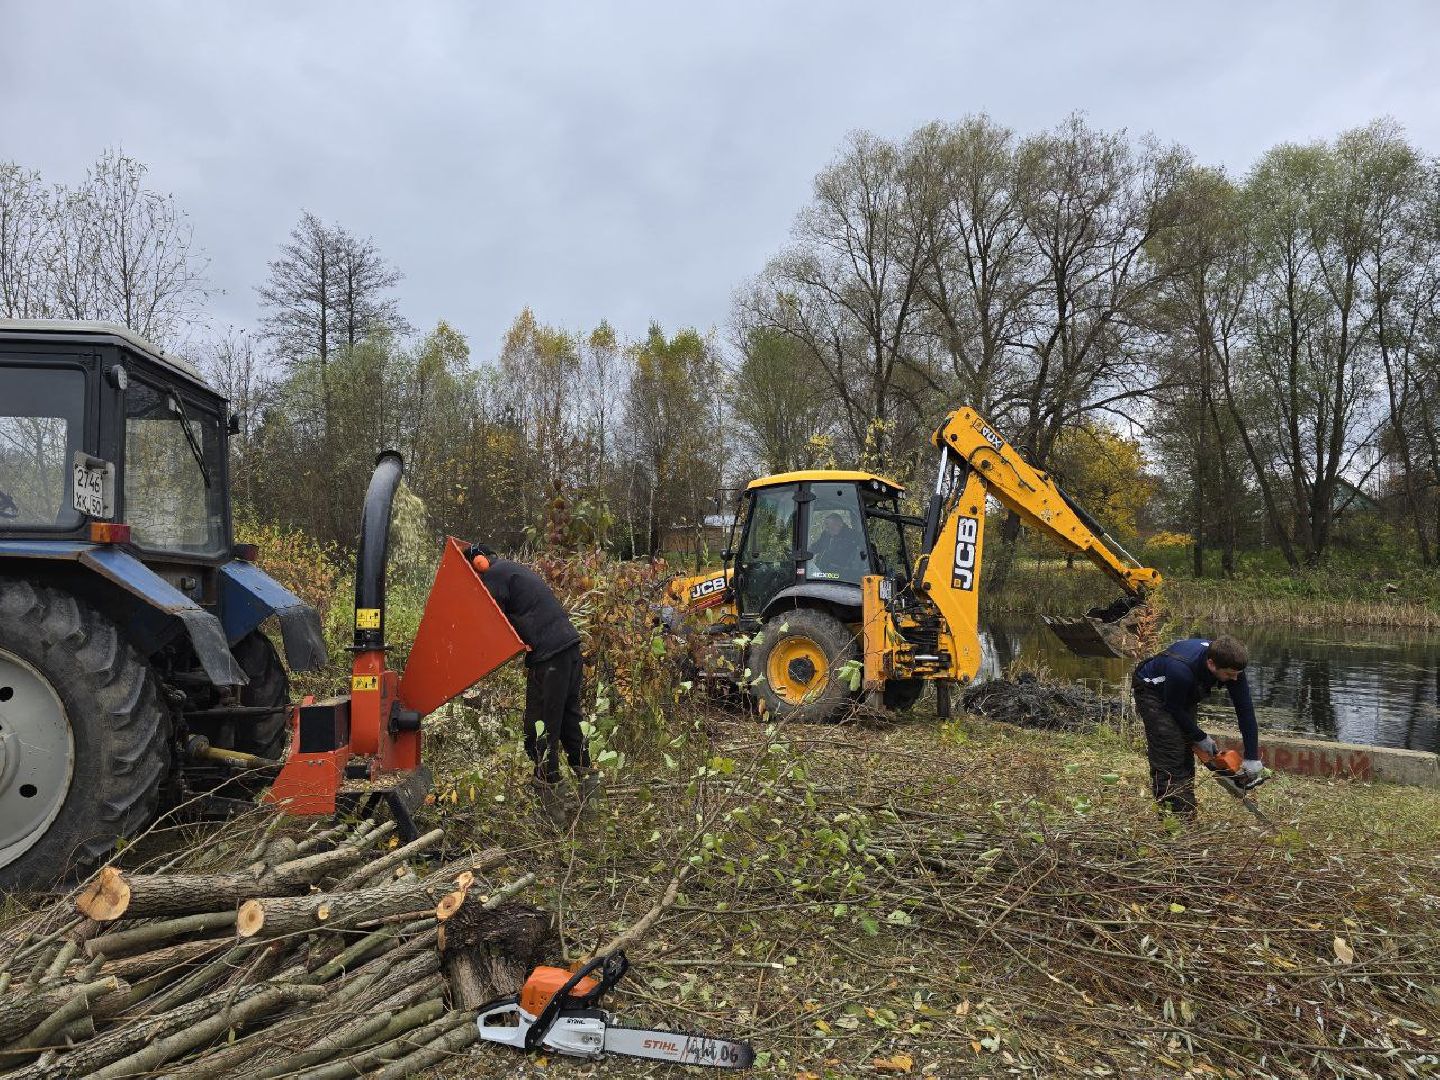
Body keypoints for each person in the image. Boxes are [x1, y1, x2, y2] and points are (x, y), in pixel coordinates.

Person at [467, 542, 599, 825]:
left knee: (539, 728)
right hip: (569, 651)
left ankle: (555, 813)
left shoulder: (492, 576)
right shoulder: (511, 571)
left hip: (551, 658)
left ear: (479, 564)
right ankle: (591, 802)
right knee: (568, 722)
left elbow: (487, 620)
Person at [1131, 635, 1262, 819]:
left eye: (1237, 674)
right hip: (1153, 690)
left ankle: (1185, 810)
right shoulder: (1181, 670)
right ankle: (1175, 819)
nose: (1234, 679)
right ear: (1211, 664)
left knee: (1185, 749)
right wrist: (1200, 736)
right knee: (1170, 752)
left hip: (1182, 691)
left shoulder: (1231, 665)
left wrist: (1252, 757)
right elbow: (1173, 707)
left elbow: (1245, 711)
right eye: (1229, 675)